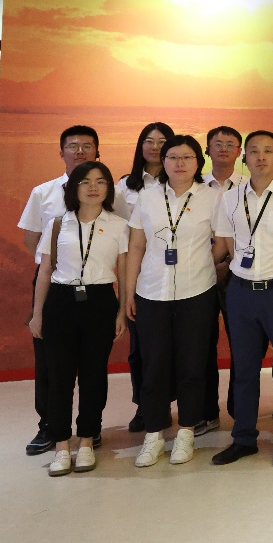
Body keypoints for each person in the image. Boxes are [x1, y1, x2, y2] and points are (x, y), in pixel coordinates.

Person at [125, 135, 225, 467]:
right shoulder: (147, 197)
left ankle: (186, 432)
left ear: (198, 162)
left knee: (192, 364)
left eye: (187, 157)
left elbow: (223, 243)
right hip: (152, 291)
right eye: (172, 157)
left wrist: (201, 262)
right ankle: (154, 434)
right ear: (163, 162)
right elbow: (136, 246)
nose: (179, 163)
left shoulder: (213, 198)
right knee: (153, 364)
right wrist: (129, 292)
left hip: (197, 292)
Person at [210, 130, 273, 468]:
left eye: (268, 151)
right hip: (241, 292)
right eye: (254, 151)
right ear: (244, 157)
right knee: (245, 369)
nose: (261, 157)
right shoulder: (229, 198)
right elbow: (225, 245)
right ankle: (243, 438)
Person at [28, 161, 128, 476]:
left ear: (109, 188)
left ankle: (86, 440)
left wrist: (122, 311)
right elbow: (46, 270)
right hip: (60, 302)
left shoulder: (119, 225)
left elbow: (124, 273)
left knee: (93, 375)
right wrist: (37, 314)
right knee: (58, 376)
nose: (93, 187)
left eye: (100, 181)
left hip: (100, 302)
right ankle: (61, 444)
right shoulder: (58, 224)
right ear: (74, 188)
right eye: (85, 181)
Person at [18, 124, 100, 457]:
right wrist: (53, 263)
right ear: (61, 151)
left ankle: (89, 429)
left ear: (97, 151)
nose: (80, 151)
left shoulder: (107, 193)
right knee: (50, 361)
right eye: (73, 146)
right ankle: (49, 426)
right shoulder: (44, 192)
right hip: (52, 282)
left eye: (87, 145)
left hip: (94, 284)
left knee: (91, 363)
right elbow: (30, 238)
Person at [115, 121, 174, 433]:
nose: (155, 147)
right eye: (149, 141)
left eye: (162, 141)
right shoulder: (125, 186)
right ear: (140, 146)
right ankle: (146, 406)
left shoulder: (184, 183)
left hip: (180, 273)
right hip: (140, 273)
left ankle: (187, 406)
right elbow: (120, 236)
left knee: (180, 345)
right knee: (142, 347)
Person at [200, 125, 243, 435]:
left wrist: (227, 263)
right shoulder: (195, 186)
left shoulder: (250, 186)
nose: (224, 148)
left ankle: (239, 409)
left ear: (240, 152)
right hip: (199, 276)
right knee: (201, 345)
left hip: (236, 275)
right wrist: (209, 265)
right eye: (218, 143)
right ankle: (206, 411)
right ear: (207, 150)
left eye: (230, 144)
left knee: (241, 344)